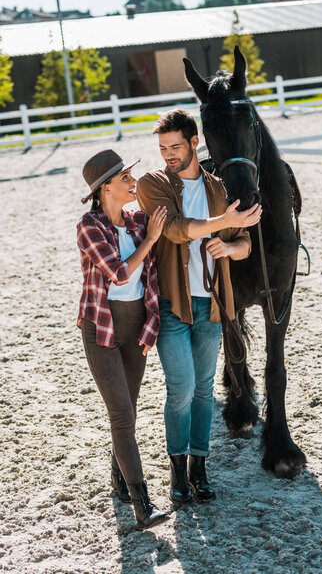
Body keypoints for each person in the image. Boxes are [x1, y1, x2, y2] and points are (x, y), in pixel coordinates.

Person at [136, 109, 262, 504]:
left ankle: (199, 469)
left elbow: (245, 243)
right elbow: (174, 230)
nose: (168, 154)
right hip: (172, 305)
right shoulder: (153, 183)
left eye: (175, 146)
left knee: (205, 391)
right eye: (162, 148)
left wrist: (228, 244)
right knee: (182, 389)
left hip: (211, 306)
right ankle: (176, 469)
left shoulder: (220, 189)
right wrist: (222, 221)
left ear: (195, 143)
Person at [76, 149, 169, 530]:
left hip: (135, 326)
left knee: (127, 410)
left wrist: (152, 325)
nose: (134, 182)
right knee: (121, 414)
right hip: (100, 326)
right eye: (127, 178)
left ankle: (118, 479)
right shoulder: (89, 226)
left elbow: (150, 278)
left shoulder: (136, 222)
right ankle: (141, 503)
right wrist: (151, 240)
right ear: (106, 188)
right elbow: (118, 273)